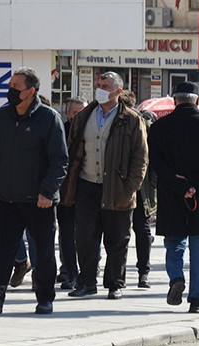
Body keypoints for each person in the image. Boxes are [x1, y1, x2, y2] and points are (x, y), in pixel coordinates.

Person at [0, 67, 68, 315]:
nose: (10, 90)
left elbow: (60, 160)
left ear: (31, 91)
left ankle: (45, 297)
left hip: (40, 200)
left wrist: (47, 192)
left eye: (16, 86)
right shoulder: (2, 116)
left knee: (44, 251)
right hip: (8, 197)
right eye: (10, 84)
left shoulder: (48, 118)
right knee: (5, 248)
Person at [62, 72, 148, 300]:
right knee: (85, 238)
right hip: (87, 185)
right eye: (99, 84)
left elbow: (140, 157)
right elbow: (72, 150)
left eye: (105, 85)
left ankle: (114, 283)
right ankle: (86, 282)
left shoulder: (131, 119)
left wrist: (130, 186)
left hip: (117, 187)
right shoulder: (84, 116)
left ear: (118, 91)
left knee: (117, 240)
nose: (99, 88)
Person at [147, 81, 199, 313]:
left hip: (171, 193)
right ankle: (197, 299)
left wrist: (180, 184)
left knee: (174, 241)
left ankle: (175, 278)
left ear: (175, 100)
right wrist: (196, 184)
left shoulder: (160, 126)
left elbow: (156, 161)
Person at [119, 90, 156, 288]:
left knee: (135, 231)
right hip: (136, 188)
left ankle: (140, 272)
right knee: (134, 231)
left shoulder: (143, 125)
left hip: (137, 188)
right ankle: (138, 273)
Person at [55, 96, 88, 289]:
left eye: (82, 113)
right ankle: (70, 272)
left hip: (86, 189)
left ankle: (86, 272)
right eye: (75, 113)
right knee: (66, 234)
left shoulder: (91, 131)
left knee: (86, 234)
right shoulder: (61, 131)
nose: (79, 117)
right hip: (65, 190)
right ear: (68, 113)